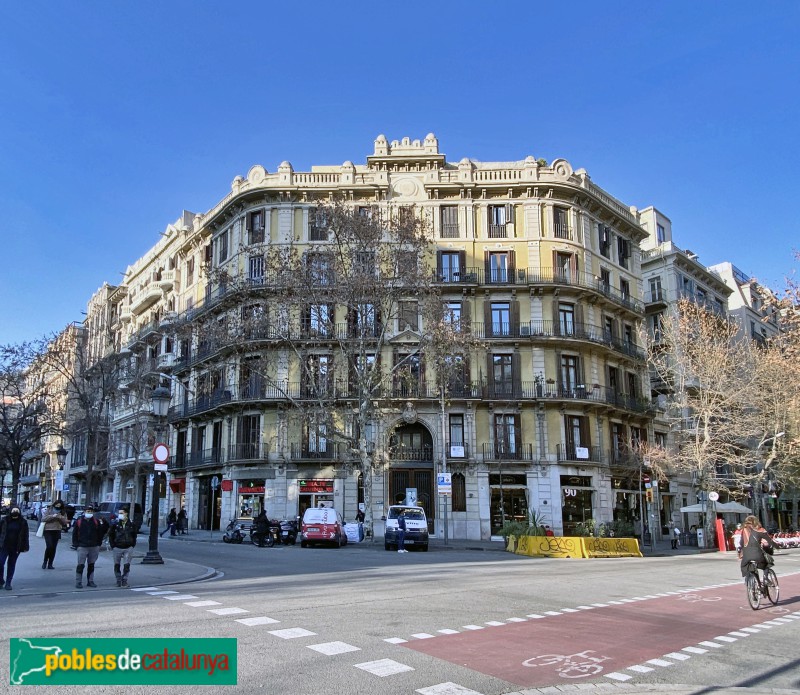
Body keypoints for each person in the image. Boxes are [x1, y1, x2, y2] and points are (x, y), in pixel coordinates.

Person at [71, 504, 109, 589]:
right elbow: (74, 534)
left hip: (94, 546)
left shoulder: (96, 522)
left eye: (91, 511)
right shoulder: (79, 521)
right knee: (81, 565)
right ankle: (78, 581)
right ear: (84, 512)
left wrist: (98, 544)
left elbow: (101, 532)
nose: (89, 513)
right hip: (82, 546)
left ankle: (90, 581)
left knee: (91, 564)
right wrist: (76, 545)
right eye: (88, 511)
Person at [739, 515, 776, 583]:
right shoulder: (760, 529)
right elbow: (767, 542)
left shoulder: (743, 530)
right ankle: (766, 577)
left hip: (747, 555)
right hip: (758, 554)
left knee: (748, 566)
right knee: (767, 563)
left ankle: (755, 583)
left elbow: (741, 543)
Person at [0, 507, 30, 591]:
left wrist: (25, 546)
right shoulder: (5, 520)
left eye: (17, 511)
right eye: (13, 510)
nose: (15, 512)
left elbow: (25, 535)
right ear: (10, 511)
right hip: (4, 545)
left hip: (16, 546)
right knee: (0, 562)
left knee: (11, 564)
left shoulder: (23, 522)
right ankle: (1, 580)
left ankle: (8, 583)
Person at [107, 507, 137, 587]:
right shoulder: (115, 524)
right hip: (117, 547)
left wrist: (132, 545)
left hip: (128, 547)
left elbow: (134, 535)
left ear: (126, 513)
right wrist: (113, 546)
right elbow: (111, 535)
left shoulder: (131, 524)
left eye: (122, 513)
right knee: (117, 564)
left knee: (127, 565)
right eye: (119, 513)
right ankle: (118, 580)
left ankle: (124, 580)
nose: (120, 515)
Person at [41, 501, 69, 569]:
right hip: (48, 530)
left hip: (57, 530)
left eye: (59, 505)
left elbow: (65, 522)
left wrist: (60, 517)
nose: (58, 506)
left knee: (53, 548)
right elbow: (43, 519)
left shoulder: (63, 512)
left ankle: (50, 563)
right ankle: (45, 562)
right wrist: (52, 516)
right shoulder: (49, 510)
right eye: (57, 505)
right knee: (49, 546)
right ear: (54, 504)